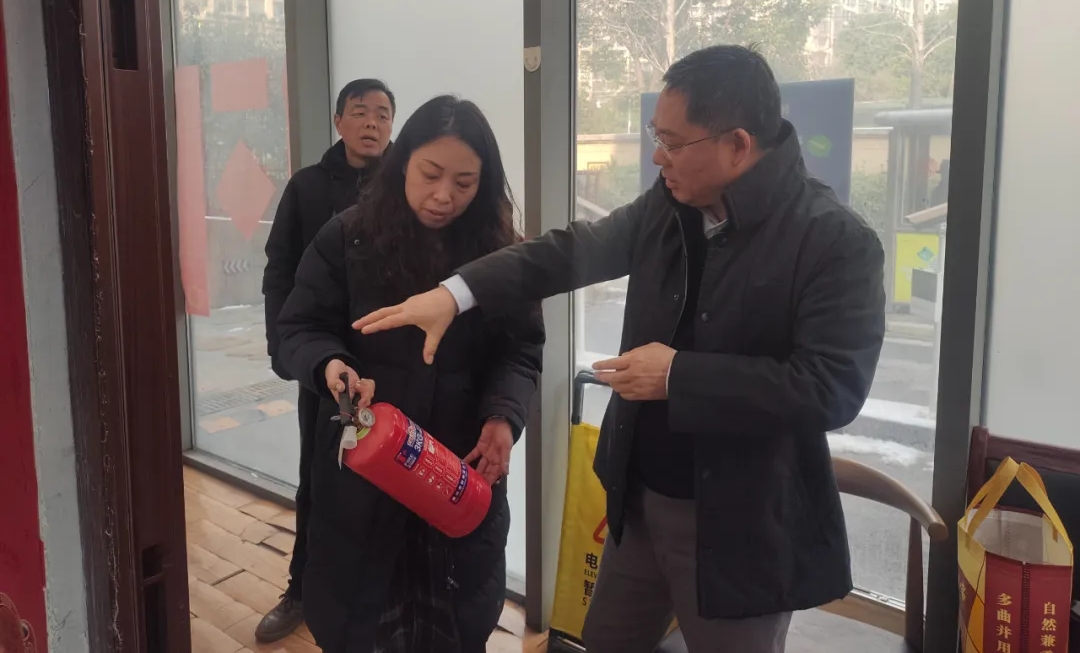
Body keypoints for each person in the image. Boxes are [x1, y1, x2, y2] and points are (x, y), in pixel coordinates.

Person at [356, 46, 887, 653]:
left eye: (673, 142)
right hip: (637, 502)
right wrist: (456, 295)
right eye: (656, 137)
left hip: (742, 524)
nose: (658, 156)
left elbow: (830, 387)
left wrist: (679, 376)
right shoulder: (671, 202)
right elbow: (570, 251)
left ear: (737, 146)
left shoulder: (834, 240)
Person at [275, 95, 544, 653]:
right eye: (430, 174)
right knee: (365, 621)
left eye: (465, 183)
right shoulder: (347, 239)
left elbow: (520, 351)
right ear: (402, 164)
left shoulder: (502, 253)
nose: (444, 196)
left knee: (456, 624)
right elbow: (298, 328)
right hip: (366, 476)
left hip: (457, 470)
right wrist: (331, 366)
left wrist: (503, 417)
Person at [256, 78, 395, 642]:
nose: (372, 123)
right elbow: (279, 271)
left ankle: (383, 596)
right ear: (339, 121)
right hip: (324, 364)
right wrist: (284, 351)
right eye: (360, 112)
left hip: (389, 363)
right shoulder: (307, 187)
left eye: (383, 114)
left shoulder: (405, 187)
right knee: (318, 479)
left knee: (388, 477)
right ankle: (302, 589)